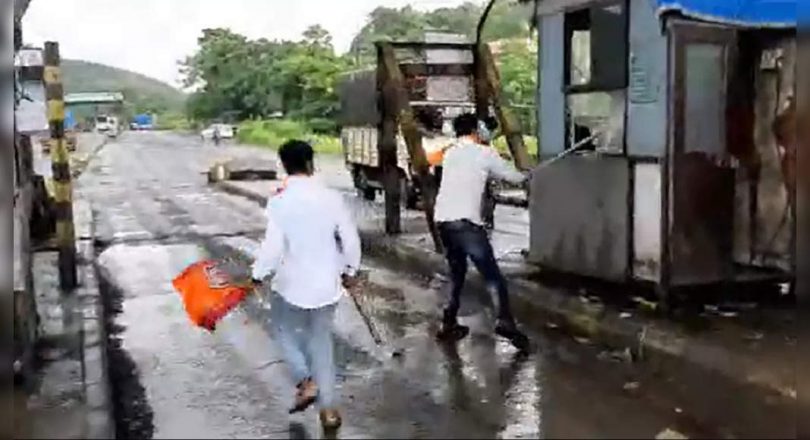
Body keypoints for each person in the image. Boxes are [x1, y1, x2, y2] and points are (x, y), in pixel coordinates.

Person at [251, 140, 361, 431]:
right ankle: (329, 411)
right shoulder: (331, 197)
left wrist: (258, 274)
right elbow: (350, 239)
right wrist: (351, 270)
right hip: (328, 283)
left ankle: (305, 379)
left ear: (284, 165)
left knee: (283, 331)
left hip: (290, 284)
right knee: (321, 342)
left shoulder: (279, 201)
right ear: (312, 164)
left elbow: (273, 247)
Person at [434, 113, 530, 351]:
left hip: (444, 221)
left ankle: (448, 322)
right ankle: (505, 321)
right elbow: (514, 177)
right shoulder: (484, 153)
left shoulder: (451, 152)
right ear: (477, 129)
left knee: (457, 273)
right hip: (466, 224)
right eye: (484, 127)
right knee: (492, 276)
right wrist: (529, 174)